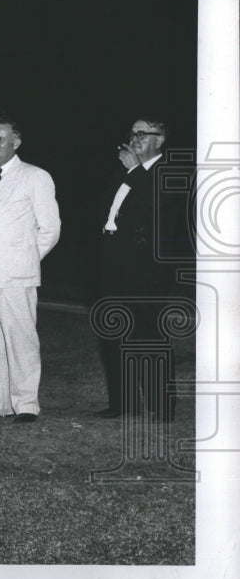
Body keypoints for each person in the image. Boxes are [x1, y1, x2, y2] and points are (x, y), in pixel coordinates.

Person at [0, 118, 60, 423]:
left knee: (21, 338)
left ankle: (26, 404)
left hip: (16, 272)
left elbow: (50, 228)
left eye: (1, 138)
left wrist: (26, 258)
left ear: (16, 143)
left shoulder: (35, 176)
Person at [94, 118, 182, 419]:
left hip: (148, 270)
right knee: (114, 332)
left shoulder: (168, 171)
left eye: (142, 134)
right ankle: (123, 403)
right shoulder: (123, 172)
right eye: (132, 133)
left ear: (160, 138)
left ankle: (162, 406)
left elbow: (154, 204)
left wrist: (134, 170)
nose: (134, 139)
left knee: (150, 336)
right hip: (114, 266)